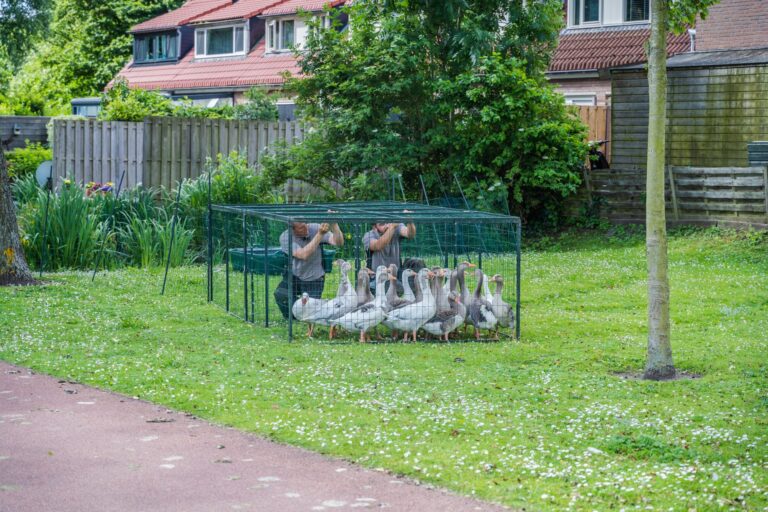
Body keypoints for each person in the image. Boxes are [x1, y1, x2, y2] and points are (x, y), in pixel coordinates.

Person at [274, 221, 344, 319]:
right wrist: (319, 235)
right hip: (295, 275)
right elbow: (303, 255)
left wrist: (334, 225)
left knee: (311, 310)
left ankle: (304, 316)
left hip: (315, 277)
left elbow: (338, 242)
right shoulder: (285, 237)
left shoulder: (315, 227)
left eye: (305, 225)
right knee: (281, 294)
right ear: (292, 230)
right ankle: (293, 318)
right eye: (301, 228)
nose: (306, 229)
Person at [363, 222, 416, 292]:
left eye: (387, 222)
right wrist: (392, 227)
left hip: (398, 274)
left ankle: (415, 294)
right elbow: (378, 245)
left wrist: (409, 220)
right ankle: (400, 289)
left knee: (416, 262)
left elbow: (410, 234)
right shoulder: (369, 235)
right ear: (374, 227)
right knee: (389, 284)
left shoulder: (395, 228)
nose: (386, 225)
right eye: (382, 224)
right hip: (378, 277)